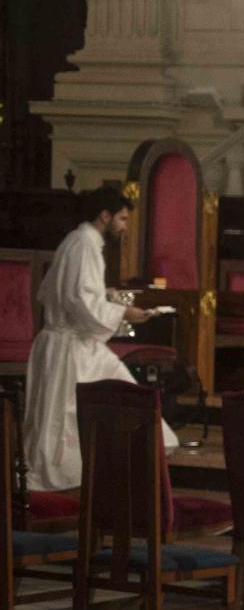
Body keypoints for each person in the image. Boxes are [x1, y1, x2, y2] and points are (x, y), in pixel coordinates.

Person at [23, 187, 176, 492]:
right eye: (121, 218)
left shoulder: (79, 241)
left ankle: (111, 473)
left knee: (122, 398)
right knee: (73, 414)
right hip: (71, 346)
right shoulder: (84, 244)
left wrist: (107, 297)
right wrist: (123, 313)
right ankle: (80, 481)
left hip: (73, 342)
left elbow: (70, 292)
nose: (123, 226)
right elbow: (81, 302)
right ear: (104, 216)